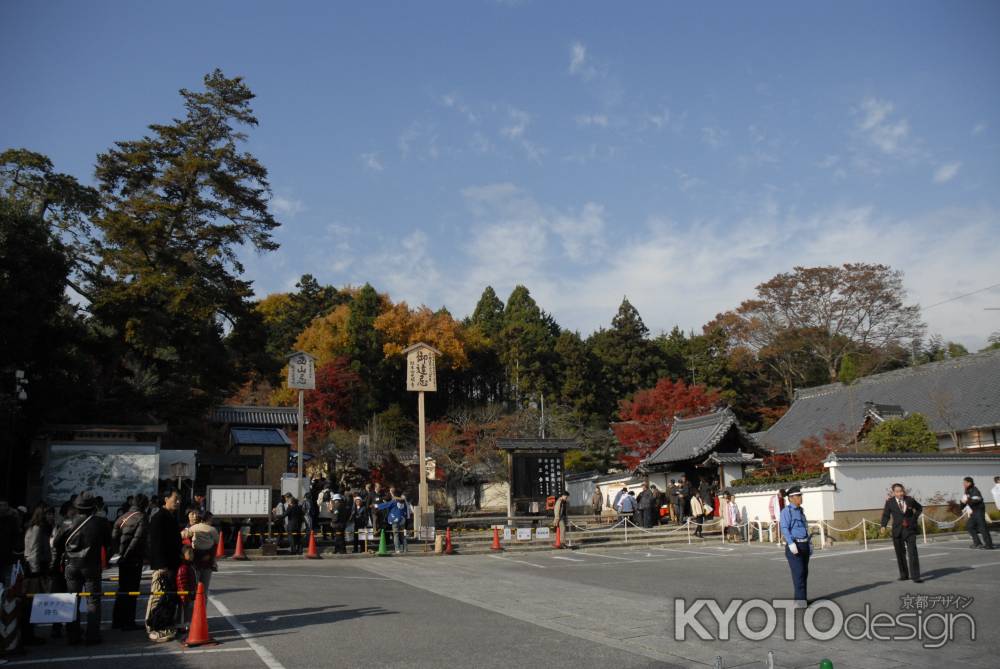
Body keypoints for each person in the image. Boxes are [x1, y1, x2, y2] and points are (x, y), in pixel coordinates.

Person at [51, 491, 112, 645]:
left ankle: (73, 635)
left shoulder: (66, 523)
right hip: (92, 565)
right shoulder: (100, 522)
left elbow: (57, 544)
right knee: (93, 600)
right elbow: (110, 544)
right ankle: (93, 635)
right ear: (93, 508)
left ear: (76, 507)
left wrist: (57, 561)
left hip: (71, 564)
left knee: (73, 600)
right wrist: (105, 560)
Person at [146, 489, 182, 642]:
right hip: (163, 565)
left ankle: (164, 625)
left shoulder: (171, 516)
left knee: (168, 597)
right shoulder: (159, 517)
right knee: (157, 597)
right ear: (166, 499)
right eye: (176, 498)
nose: (178, 501)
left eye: (180, 499)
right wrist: (161, 566)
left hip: (172, 563)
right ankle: (152, 627)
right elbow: (155, 544)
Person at [111, 493, 148, 631]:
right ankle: (128, 621)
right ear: (144, 504)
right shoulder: (142, 517)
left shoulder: (122, 517)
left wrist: (118, 554)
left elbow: (114, 537)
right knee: (132, 591)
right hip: (133, 559)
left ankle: (117, 621)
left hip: (121, 559)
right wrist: (126, 555)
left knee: (122, 589)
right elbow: (137, 539)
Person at [879, 483, 923, 583]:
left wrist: (914, 518)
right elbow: (886, 515)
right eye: (898, 492)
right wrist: (883, 525)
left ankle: (916, 576)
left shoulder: (910, 500)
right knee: (900, 554)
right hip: (897, 531)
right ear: (894, 493)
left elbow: (919, 508)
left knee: (913, 553)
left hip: (909, 529)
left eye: (901, 491)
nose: (900, 493)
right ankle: (904, 575)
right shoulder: (890, 502)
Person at [22, 505, 52, 646]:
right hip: (34, 571)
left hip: (37, 568)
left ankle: (29, 633)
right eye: (49, 514)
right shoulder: (37, 529)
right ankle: (28, 634)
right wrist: (36, 572)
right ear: (42, 515)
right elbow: (33, 551)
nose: (52, 516)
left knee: (32, 603)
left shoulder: (39, 528)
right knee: (30, 602)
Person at [779, 486, 811, 607]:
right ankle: (800, 601)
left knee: (804, 573)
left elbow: (804, 527)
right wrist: (791, 543)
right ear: (791, 498)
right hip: (795, 545)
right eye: (798, 496)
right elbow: (784, 528)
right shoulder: (786, 511)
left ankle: (802, 599)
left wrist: (809, 542)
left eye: (800, 495)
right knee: (799, 573)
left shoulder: (801, 511)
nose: (800, 498)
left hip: (804, 544)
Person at [181, 509, 219, 592]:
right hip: (203, 560)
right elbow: (217, 541)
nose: (194, 516)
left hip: (199, 559)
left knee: (195, 585)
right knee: (202, 587)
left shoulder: (193, 528)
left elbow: (183, 535)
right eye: (192, 513)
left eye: (196, 514)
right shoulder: (212, 529)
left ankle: (196, 602)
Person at [962, 477, 994, 549]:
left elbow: (977, 499)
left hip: (979, 511)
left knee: (982, 528)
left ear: (969, 483)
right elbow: (965, 501)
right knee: (970, 526)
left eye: (965, 483)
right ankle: (977, 543)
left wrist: (967, 501)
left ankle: (989, 545)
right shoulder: (967, 491)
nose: (963, 484)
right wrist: (962, 504)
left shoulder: (974, 490)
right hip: (973, 512)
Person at [0, 497, 23, 590]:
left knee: (7, 580)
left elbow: (17, 536)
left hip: (8, 555)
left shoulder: (12, 520)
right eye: (1, 505)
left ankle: (5, 599)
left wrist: (16, 551)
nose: (2, 507)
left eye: (5, 505)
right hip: (6, 554)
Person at [175, 545, 197, 633]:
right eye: (189, 553)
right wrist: (183, 594)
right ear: (183, 555)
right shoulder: (183, 567)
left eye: (192, 553)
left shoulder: (190, 566)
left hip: (190, 593)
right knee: (183, 610)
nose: (192, 555)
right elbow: (181, 582)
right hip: (185, 594)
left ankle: (187, 625)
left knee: (189, 610)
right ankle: (181, 626)